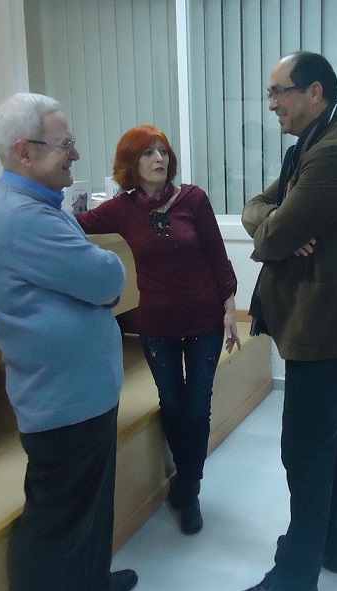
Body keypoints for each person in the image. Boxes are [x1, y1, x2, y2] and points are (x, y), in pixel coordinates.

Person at [0, 93, 138, 591]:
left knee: (89, 505)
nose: (74, 153)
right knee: (59, 516)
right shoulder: (23, 217)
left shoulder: (40, 205)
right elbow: (105, 276)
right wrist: (107, 277)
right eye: (64, 143)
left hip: (82, 394)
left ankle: (86, 585)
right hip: (60, 400)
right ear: (25, 151)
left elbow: (93, 278)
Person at [230, 52, 337, 591]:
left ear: (313, 91)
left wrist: (276, 227)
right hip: (321, 321)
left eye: (278, 93)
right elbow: (259, 212)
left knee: (304, 448)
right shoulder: (312, 144)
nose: (272, 105)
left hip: (329, 325)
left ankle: (295, 574)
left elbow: (271, 236)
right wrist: (273, 223)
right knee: (330, 440)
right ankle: (330, 548)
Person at [75, 125, 240, 535]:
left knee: (198, 405)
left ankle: (190, 488)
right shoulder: (120, 209)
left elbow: (219, 259)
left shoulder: (193, 199)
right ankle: (186, 478)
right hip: (156, 323)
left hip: (204, 319)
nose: (159, 159)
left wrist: (231, 310)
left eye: (163, 152)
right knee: (173, 401)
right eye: (148, 153)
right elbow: (74, 224)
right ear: (132, 163)